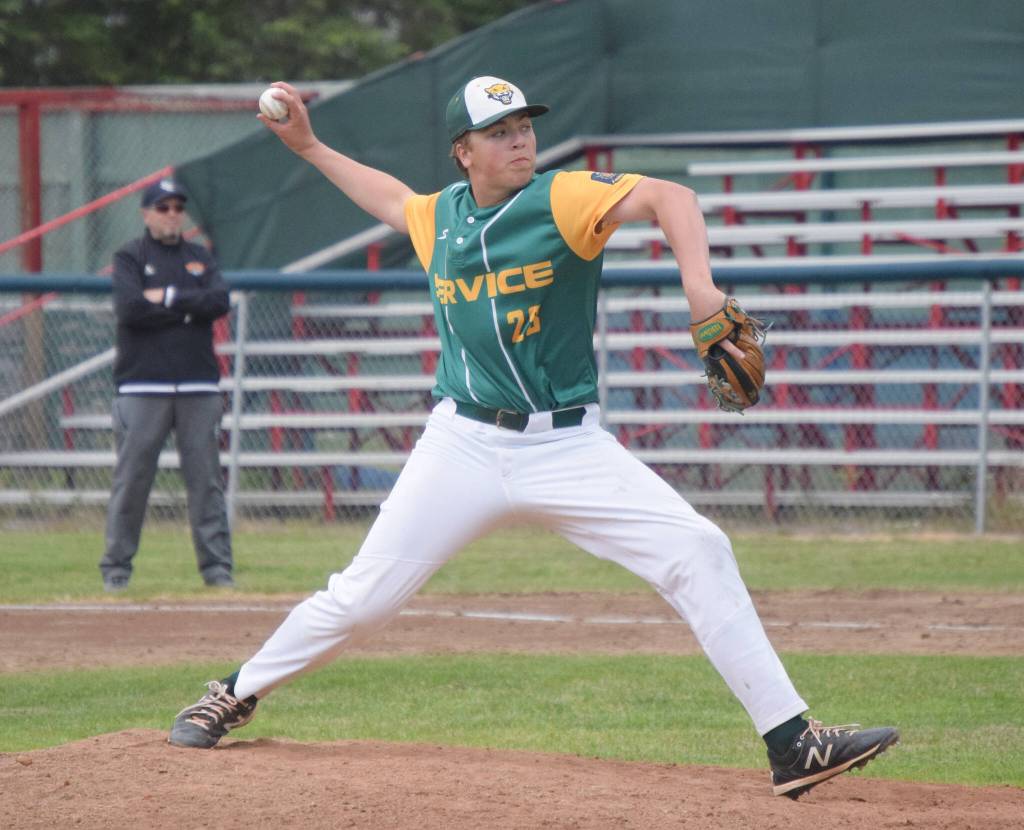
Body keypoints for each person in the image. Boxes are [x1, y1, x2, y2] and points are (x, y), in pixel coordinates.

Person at [168, 77, 898, 798]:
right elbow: (389, 198)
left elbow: (670, 197)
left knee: (698, 549)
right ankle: (234, 691)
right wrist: (308, 146)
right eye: (499, 132)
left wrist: (700, 289)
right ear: (463, 152)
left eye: (524, 126)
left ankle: (791, 742)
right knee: (363, 600)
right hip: (462, 443)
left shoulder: (562, 198)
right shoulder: (440, 217)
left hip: (566, 446)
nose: (520, 140)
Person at [99, 178, 234, 592]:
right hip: (143, 385)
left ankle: (217, 570)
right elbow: (130, 309)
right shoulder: (130, 255)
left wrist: (168, 298)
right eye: (163, 207)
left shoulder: (199, 256)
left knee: (206, 482)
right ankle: (117, 570)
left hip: (197, 385)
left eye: (177, 207)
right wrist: (190, 309)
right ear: (146, 213)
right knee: (132, 482)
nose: (172, 214)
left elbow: (218, 301)